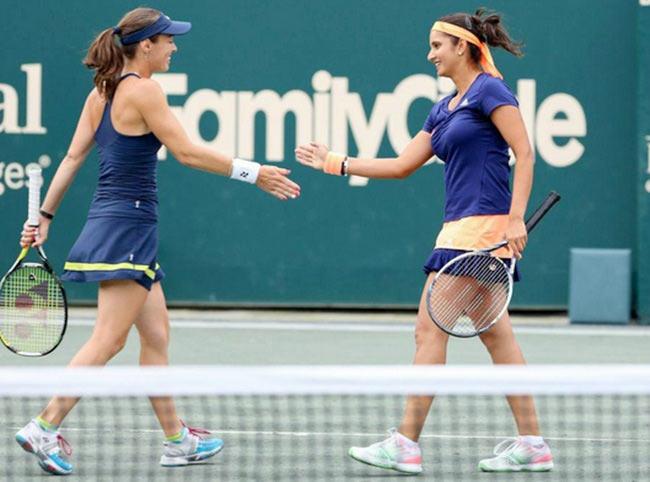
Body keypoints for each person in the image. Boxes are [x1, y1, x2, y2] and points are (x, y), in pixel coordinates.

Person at [15, 7, 301, 476]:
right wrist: (255, 173)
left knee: (156, 335)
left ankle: (176, 440)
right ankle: (45, 425)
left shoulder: (101, 93)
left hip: (119, 224)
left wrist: (46, 215)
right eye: (169, 40)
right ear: (146, 45)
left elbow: (71, 158)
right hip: (127, 226)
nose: (175, 47)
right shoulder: (145, 91)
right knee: (108, 340)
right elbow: (187, 153)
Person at [296, 9, 553, 476]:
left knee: (428, 331)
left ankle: (406, 444)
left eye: (437, 45)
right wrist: (335, 161)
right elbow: (400, 165)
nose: (430, 53)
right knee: (499, 338)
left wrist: (516, 219)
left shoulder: (491, 91)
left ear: (463, 47)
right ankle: (533, 444)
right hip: (460, 231)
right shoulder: (444, 107)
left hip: (480, 233)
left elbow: (526, 152)